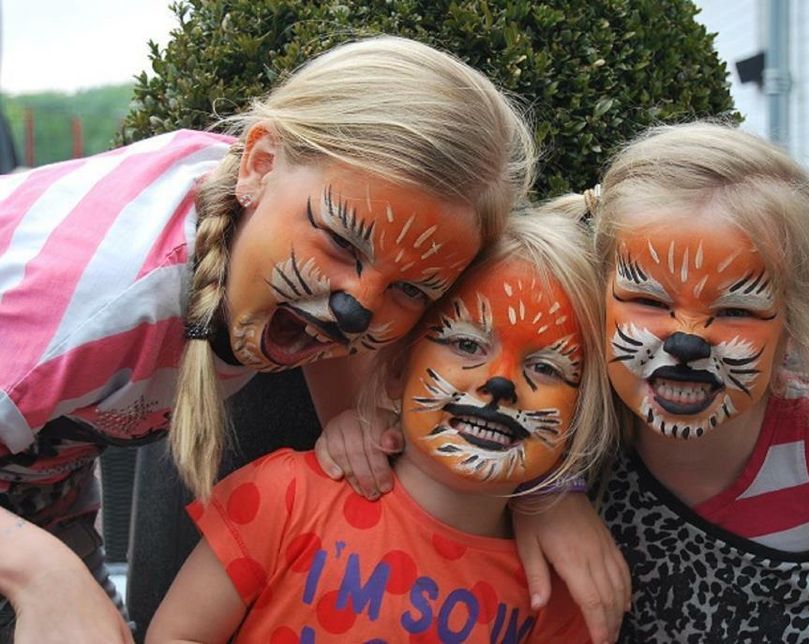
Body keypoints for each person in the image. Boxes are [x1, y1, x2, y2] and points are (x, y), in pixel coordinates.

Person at [0, 35, 536, 643]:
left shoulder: (271, 213)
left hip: (47, 499)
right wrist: (41, 574)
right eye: (340, 243)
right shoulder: (96, 302)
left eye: (409, 290)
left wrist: (348, 415)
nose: (357, 310)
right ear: (258, 164)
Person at [146, 208, 616, 643]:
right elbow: (178, 635)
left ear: (581, 415)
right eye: (467, 345)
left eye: (547, 368)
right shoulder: (284, 495)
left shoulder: (557, 588)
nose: (501, 384)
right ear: (395, 372)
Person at [582, 121, 809, 642]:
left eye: (737, 308)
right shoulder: (578, 440)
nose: (687, 342)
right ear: (593, 301)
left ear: (791, 330)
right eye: (648, 301)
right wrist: (548, 506)